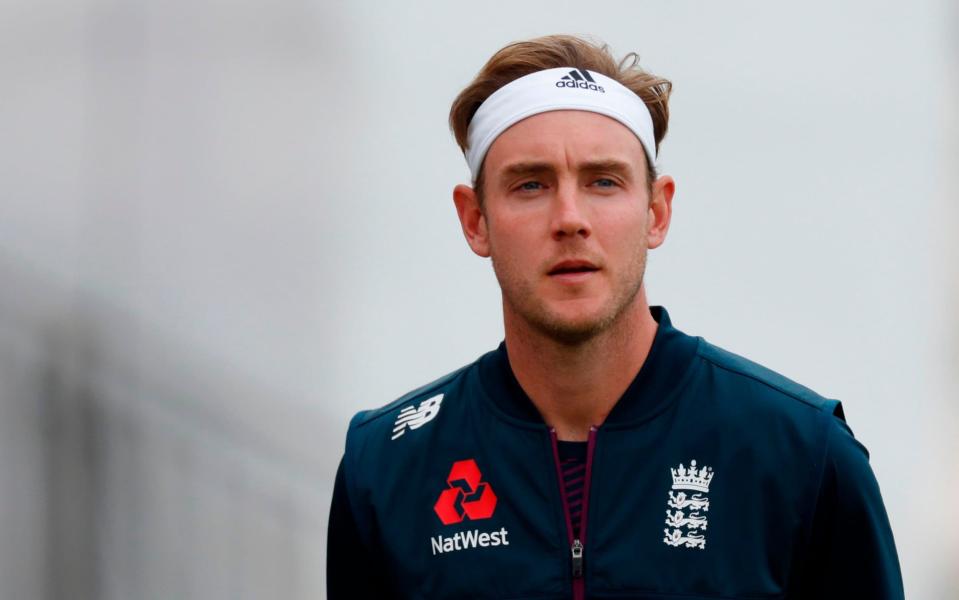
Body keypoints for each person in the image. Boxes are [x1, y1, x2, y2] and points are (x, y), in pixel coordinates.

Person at [327, 34, 904, 599]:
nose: (570, 218)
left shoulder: (801, 453)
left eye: (604, 181)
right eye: (531, 184)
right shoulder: (385, 468)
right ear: (475, 219)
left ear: (656, 211)